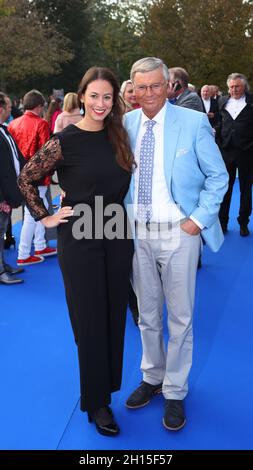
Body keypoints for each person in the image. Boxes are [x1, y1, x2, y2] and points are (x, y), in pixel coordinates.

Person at [18, 67, 135, 436]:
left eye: (107, 96)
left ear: (114, 99)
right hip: (80, 233)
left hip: (115, 230)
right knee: (89, 319)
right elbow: (26, 177)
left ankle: (108, 389)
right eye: (94, 96)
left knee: (115, 315)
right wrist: (45, 217)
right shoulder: (63, 140)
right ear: (82, 96)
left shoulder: (120, 135)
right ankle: (96, 401)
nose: (100, 103)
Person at [124, 57, 228, 431]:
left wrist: (197, 221)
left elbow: (219, 176)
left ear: (168, 86)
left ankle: (175, 390)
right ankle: (152, 376)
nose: (148, 94)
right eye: (141, 87)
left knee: (180, 317)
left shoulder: (193, 122)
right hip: (137, 233)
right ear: (132, 89)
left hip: (179, 233)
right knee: (146, 314)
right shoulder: (126, 124)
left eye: (155, 86)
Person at [8, 89, 57, 265]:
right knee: (33, 214)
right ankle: (23, 254)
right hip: (36, 177)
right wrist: (50, 174)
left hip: (19, 174)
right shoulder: (41, 123)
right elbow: (46, 154)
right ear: (39, 106)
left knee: (36, 212)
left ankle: (40, 245)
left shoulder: (13, 124)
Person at [216, 73, 253, 236]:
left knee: (246, 189)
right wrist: (219, 141)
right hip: (227, 151)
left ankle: (243, 222)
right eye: (231, 86)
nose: (234, 89)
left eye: (237, 86)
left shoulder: (251, 102)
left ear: (244, 86)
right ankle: (222, 222)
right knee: (225, 188)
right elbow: (218, 123)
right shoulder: (222, 101)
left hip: (247, 152)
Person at [0, 92, 25, 284]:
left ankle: (2, 265)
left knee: (2, 232)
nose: (11, 110)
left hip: (9, 192)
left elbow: (15, 158)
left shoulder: (4, 130)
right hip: (2, 196)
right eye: (9, 107)